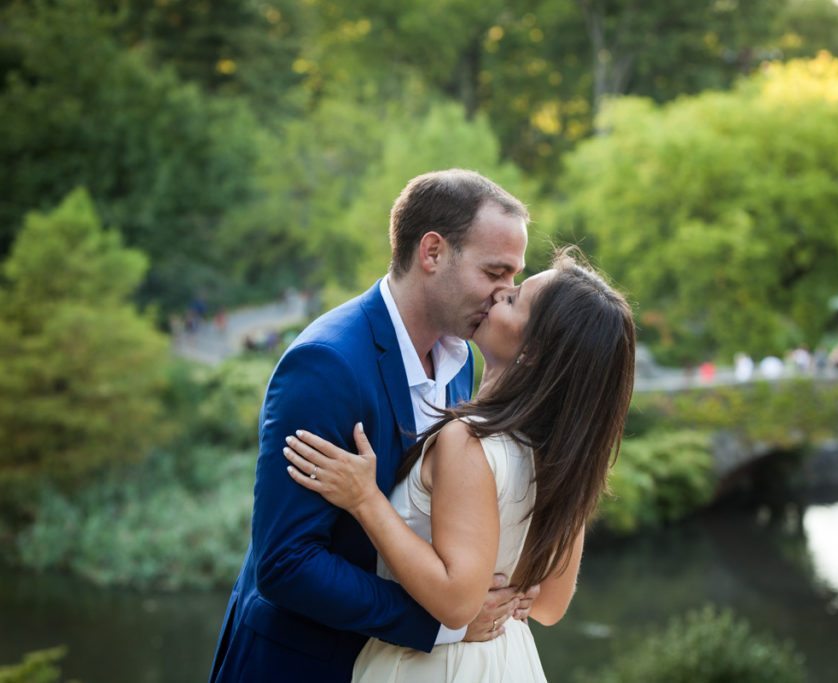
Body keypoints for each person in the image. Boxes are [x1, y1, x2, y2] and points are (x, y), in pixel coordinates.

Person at [208, 169, 533, 683]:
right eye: (495, 273)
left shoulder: (463, 362)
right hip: (303, 666)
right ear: (432, 253)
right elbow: (286, 563)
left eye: (513, 279)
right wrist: (445, 621)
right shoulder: (326, 364)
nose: (502, 295)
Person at [283, 252, 636, 681]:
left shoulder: (468, 440)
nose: (501, 290)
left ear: (533, 352)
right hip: (509, 659)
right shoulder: (563, 455)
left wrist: (365, 499)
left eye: (514, 299)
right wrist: (514, 586)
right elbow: (549, 605)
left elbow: (455, 603)